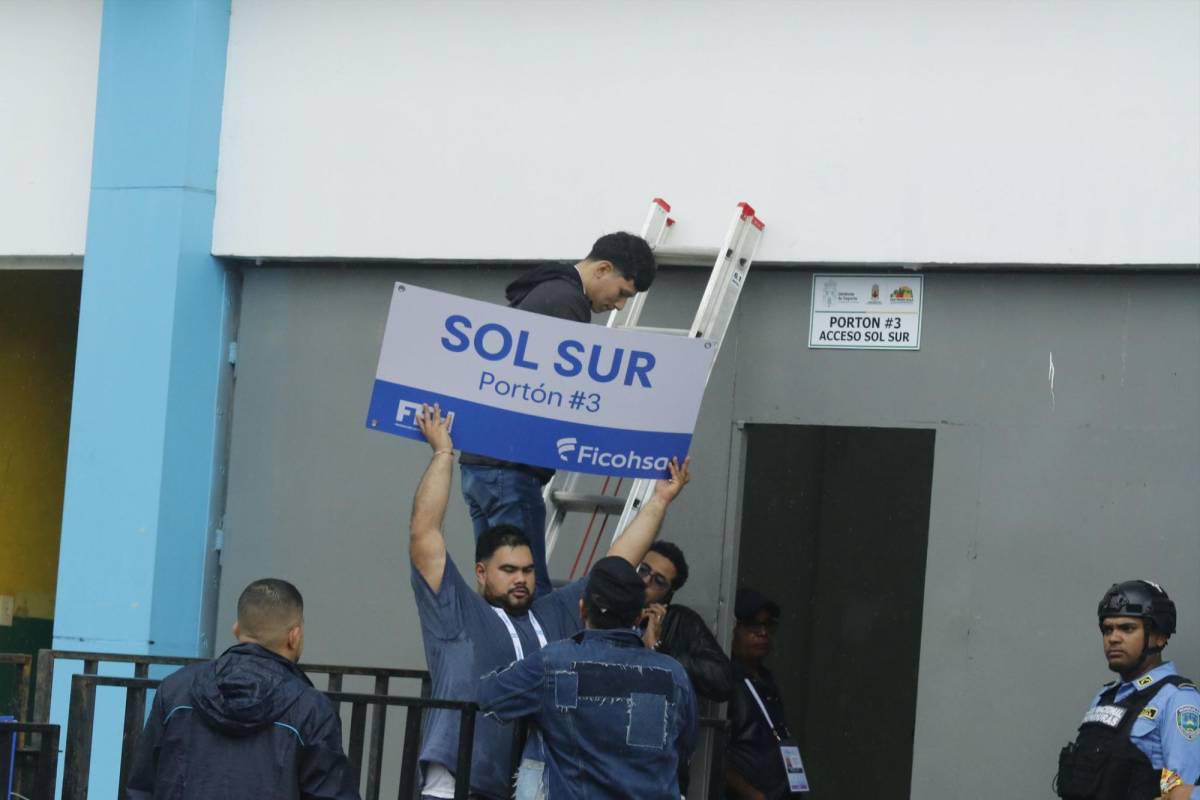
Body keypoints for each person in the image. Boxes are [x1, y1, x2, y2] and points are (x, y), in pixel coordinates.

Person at [410, 403, 689, 800]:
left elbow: (617, 563)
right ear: (481, 573)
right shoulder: (457, 613)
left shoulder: (552, 612)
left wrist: (660, 500)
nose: (522, 579)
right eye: (508, 570)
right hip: (457, 787)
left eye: (527, 569)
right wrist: (442, 454)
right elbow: (424, 535)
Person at [458, 232, 658, 593]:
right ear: (603, 269)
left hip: (483, 463)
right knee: (525, 591)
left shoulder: (544, 290)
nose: (620, 306)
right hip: (511, 469)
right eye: (623, 293)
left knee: (498, 588)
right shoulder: (566, 303)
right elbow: (563, 393)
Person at [478, 555, 698, 800]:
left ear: (582, 608)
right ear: (638, 617)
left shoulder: (555, 663)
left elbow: (491, 695)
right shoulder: (674, 675)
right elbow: (684, 746)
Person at [125, 579, 359, 800]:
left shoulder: (176, 689)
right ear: (294, 637)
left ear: (237, 630)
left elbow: (142, 787)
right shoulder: (311, 710)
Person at [1057, 580, 1200, 800]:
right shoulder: (1105, 697)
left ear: (1159, 636)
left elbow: (1181, 792)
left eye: (1127, 628)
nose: (1113, 638)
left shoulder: (1177, 700)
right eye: (1108, 629)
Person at [637, 541, 734, 794]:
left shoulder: (680, 622)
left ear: (668, 595)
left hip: (659, 772)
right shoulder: (604, 611)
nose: (645, 581)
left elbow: (723, 681)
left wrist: (659, 649)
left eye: (658, 581)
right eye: (643, 570)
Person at [725, 587, 805, 799]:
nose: (763, 633)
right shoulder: (725, 681)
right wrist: (753, 795)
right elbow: (711, 753)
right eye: (752, 624)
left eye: (768, 625)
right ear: (732, 628)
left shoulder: (767, 680)